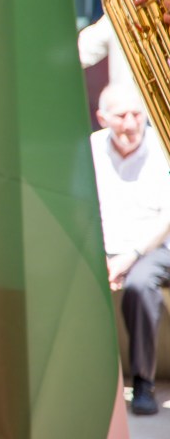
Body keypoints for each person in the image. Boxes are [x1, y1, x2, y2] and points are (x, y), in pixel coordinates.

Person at [90, 84, 170, 416]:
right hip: (106, 248)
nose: (131, 124)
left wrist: (130, 256)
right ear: (102, 118)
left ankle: (143, 384)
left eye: (136, 114)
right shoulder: (90, 150)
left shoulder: (160, 146)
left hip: (154, 247)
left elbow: (167, 216)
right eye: (121, 116)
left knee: (139, 284)